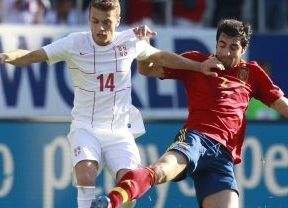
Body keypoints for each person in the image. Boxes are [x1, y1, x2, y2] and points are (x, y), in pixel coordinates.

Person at [0, 1, 223, 208]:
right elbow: (31, 55)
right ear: (89, 19)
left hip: (119, 131)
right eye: (95, 21)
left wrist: (198, 66)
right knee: (86, 173)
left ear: (117, 20)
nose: (101, 28)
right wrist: (7, 56)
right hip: (86, 126)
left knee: (129, 186)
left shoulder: (129, 42)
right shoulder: (74, 42)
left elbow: (162, 57)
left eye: (107, 22)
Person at [91, 18, 288, 208]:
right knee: (160, 171)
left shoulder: (252, 74)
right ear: (216, 43)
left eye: (233, 47)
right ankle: (110, 202)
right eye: (222, 44)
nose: (226, 52)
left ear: (244, 49)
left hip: (222, 158)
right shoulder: (197, 62)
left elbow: (282, 105)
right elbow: (147, 70)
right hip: (196, 139)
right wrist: (144, 46)